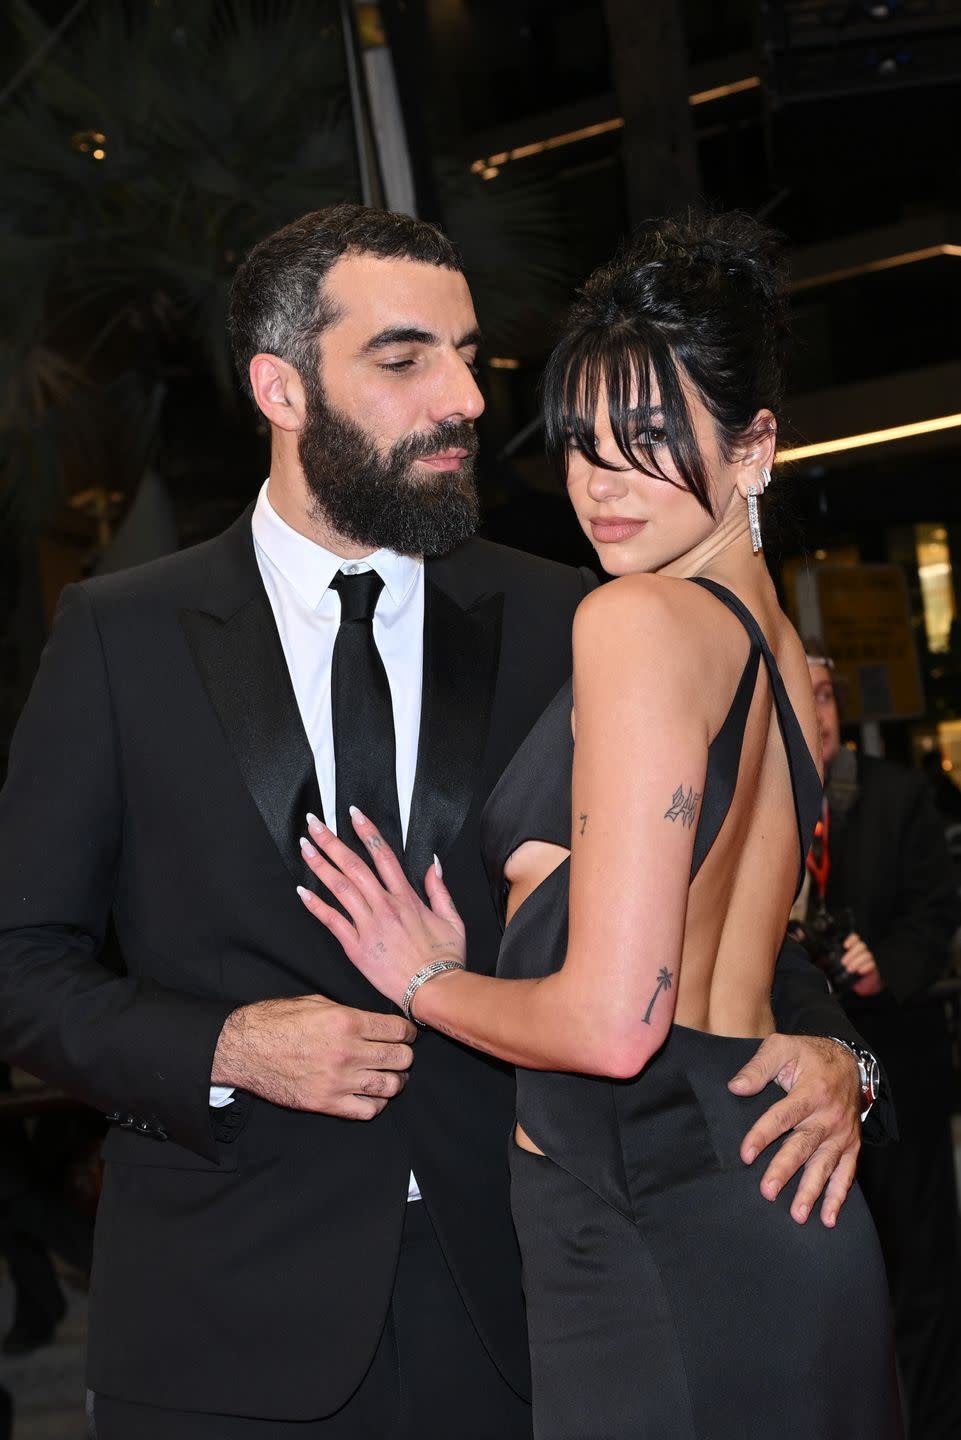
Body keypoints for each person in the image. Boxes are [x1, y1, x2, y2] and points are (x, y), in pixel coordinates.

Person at [0, 205, 883, 1439]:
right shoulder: (119, 636)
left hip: (529, 1309)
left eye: (470, 354)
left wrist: (841, 1055)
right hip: (228, 1326)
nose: (466, 396)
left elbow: (698, 894)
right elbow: (20, 966)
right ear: (281, 386)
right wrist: (227, 1049)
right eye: (406, 358)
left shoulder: (571, 611)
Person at [297, 212, 904, 1439]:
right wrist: (854, 1063)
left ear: (755, 448)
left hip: (651, 1235)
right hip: (772, 1219)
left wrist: (423, 978)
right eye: (581, 442)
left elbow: (613, 1025)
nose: (601, 483)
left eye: (649, 440)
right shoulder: (780, 655)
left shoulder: (634, 624)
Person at [800, 652, 961, 1440]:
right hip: (810, 1092)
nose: (820, 711)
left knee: (922, 1267)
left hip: (902, 1069)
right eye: (805, 695)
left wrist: (884, 965)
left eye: (827, 693)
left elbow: (938, 914)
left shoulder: (896, 796)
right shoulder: (763, 804)